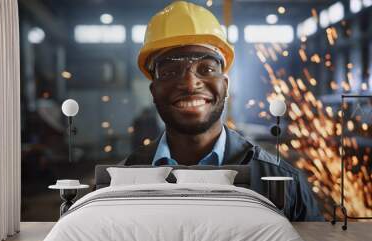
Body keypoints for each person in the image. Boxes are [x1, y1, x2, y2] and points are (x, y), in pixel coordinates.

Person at [121, 1, 323, 221]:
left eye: (206, 69)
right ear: (154, 90)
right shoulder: (121, 181)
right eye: (170, 72)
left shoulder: (284, 183)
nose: (190, 84)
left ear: (225, 85)